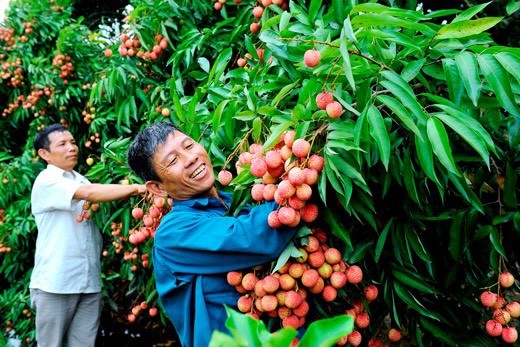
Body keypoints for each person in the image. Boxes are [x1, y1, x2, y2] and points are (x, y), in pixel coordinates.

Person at [127, 121, 298, 347]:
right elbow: (252, 236)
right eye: (173, 160)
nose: (190, 159)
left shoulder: (236, 199)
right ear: (158, 188)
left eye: (188, 146)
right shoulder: (172, 234)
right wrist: (301, 172)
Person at [30, 123, 147, 347]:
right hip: (55, 283)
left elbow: (96, 191)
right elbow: (91, 193)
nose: (71, 147)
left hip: (88, 282)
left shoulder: (81, 179)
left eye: (73, 142)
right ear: (45, 154)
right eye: (62, 144)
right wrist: (136, 188)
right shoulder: (47, 181)